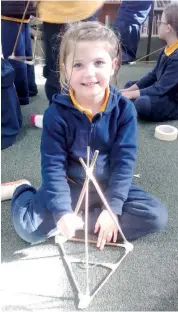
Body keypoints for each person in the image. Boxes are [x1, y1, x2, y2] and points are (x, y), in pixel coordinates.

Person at [10, 21, 167, 250]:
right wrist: (62, 212)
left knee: (155, 215)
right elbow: (53, 167)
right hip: (70, 186)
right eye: (78, 65)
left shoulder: (124, 111)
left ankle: (88, 221)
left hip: (107, 186)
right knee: (28, 229)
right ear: (65, 69)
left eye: (99, 63)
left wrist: (112, 209)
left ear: (113, 66)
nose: (89, 73)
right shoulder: (56, 114)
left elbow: (124, 164)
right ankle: (22, 190)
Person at [120, 2, 178, 121]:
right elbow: (153, 76)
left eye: (160, 22)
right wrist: (129, 90)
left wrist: (130, 95)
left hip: (172, 99)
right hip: (162, 88)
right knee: (129, 85)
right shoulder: (168, 48)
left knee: (142, 104)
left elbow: (159, 88)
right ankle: (131, 98)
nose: (158, 24)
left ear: (168, 28)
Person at [37, 0, 103, 102]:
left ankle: (62, 110)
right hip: (81, 8)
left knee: (58, 68)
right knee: (86, 63)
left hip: (58, 10)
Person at [1, 1, 38, 105]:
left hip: (10, 10)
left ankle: (20, 95)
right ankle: (30, 89)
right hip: (23, 10)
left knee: (15, 58)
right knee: (25, 55)